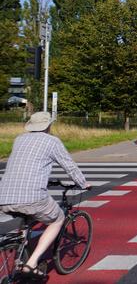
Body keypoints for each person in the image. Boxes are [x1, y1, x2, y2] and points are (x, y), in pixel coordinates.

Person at [0, 112, 90, 280]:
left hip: (4, 196)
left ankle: (21, 250)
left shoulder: (19, 139)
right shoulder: (52, 141)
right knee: (57, 219)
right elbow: (69, 166)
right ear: (48, 125)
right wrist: (84, 183)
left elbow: (27, 165)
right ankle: (31, 263)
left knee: (27, 216)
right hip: (31, 197)